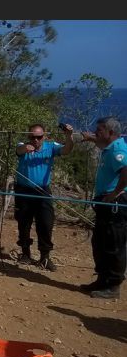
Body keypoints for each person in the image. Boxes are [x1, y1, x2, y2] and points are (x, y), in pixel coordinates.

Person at [13, 123, 73, 271]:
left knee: (46, 222)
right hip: (23, 190)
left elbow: (66, 150)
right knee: (23, 222)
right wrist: (25, 148)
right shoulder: (23, 145)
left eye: (39, 137)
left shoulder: (51, 147)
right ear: (28, 136)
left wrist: (69, 136)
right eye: (32, 137)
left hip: (43, 191)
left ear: (44, 136)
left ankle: (45, 257)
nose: (35, 140)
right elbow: (19, 150)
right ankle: (25, 253)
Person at [80, 117, 126, 299]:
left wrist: (115, 193)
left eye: (99, 130)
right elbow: (99, 142)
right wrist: (89, 138)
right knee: (100, 241)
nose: (96, 132)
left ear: (111, 132)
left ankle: (113, 285)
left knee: (114, 243)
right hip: (105, 202)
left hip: (115, 203)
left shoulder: (118, 149)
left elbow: (126, 171)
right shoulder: (109, 147)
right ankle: (102, 279)